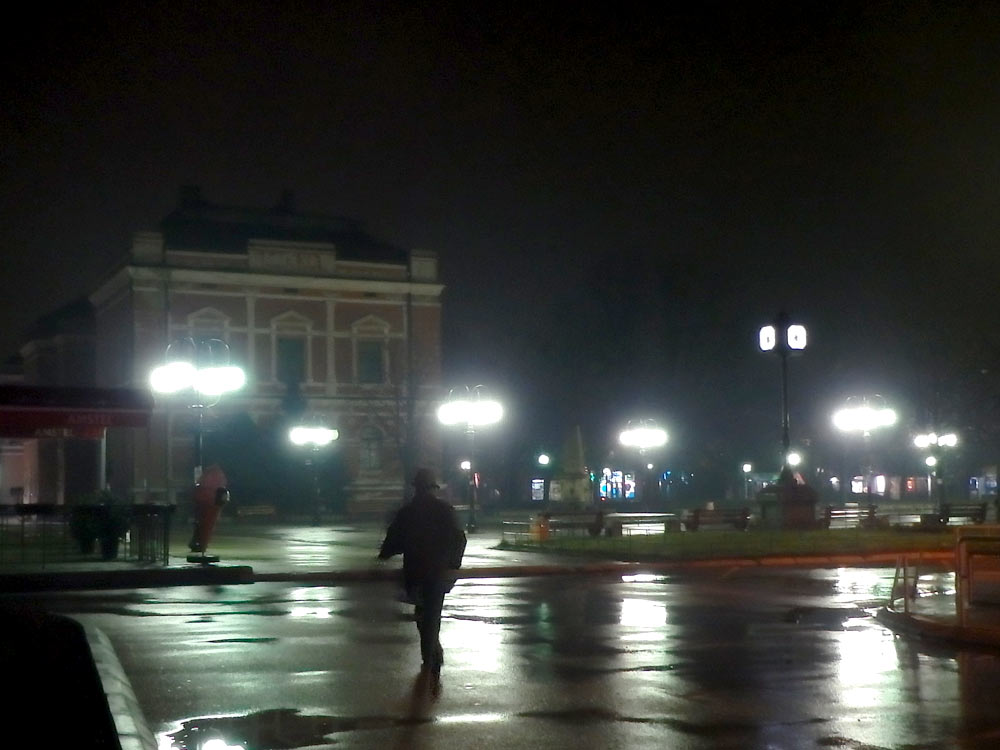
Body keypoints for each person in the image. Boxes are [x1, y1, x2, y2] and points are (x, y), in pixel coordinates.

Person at [379, 468, 467, 675]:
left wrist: (385, 554)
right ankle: (432, 655)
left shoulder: (406, 512)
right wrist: (453, 565)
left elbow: (392, 543)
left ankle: (430, 656)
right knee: (432, 614)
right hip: (438, 574)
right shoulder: (445, 510)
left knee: (423, 613)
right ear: (433, 488)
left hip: (415, 573)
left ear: (415, 489)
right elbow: (459, 539)